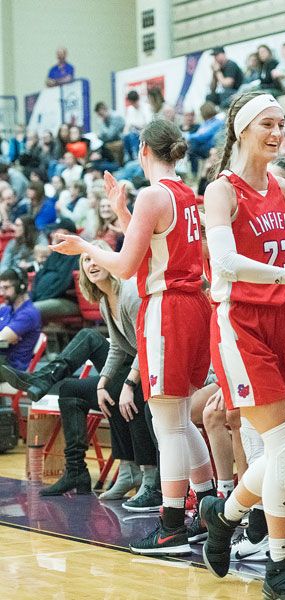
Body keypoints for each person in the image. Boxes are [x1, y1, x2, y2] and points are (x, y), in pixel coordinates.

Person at [195, 91, 285, 599]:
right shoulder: (220, 191)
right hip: (241, 324)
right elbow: (228, 263)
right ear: (241, 129)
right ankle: (280, 566)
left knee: (283, 447)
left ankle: (223, 513)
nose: (278, 134)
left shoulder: (279, 186)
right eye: (267, 125)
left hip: (283, 322)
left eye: (282, 124)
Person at [50, 119, 215, 556]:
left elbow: (124, 267)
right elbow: (153, 245)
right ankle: (208, 506)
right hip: (192, 306)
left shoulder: (155, 194)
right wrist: (122, 211)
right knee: (178, 419)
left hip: (167, 309)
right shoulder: (183, 194)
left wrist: (85, 246)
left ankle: (172, 524)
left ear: (142, 149)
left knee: (167, 424)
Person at [2, 245, 160, 509]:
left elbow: (146, 345)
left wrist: (128, 383)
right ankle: (76, 469)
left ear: (110, 259)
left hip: (147, 366)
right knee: (70, 389)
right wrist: (102, 382)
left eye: (95, 257)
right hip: (130, 362)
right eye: (86, 260)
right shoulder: (104, 300)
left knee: (100, 366)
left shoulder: (129, 293)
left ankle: (42, 379)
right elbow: (117, 346)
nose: (91, 264)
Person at [0, 269, 41, 372]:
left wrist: (3, 339)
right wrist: (6, 342)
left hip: (11, 370)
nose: (2, 293)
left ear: (20, 287)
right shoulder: (6, 309)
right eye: (1, 288)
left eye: (6, 288)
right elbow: (2, 342)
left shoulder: (28, 314)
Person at [187, 102, 223, 175]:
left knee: (192, 145)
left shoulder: (217, 122)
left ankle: (194, 174)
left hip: (211, 147)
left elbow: (203, 136)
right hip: (204, 145)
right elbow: (199, 134)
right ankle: (193, 173)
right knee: (191, 148)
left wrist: (188, 136)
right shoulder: (205, 123)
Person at [123, 91, 150, 161]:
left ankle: (135, 155)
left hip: (143, 131)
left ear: (137, 100)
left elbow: (147, 124)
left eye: (134, 102)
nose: (133, 105)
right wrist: (125, 133)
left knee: (133, 135)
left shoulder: (146, 107)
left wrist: (135, 125)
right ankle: (128, 157)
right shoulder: (130, 109)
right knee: (126, 136)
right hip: (133, 131)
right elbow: (127, 124)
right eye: (131, 103)